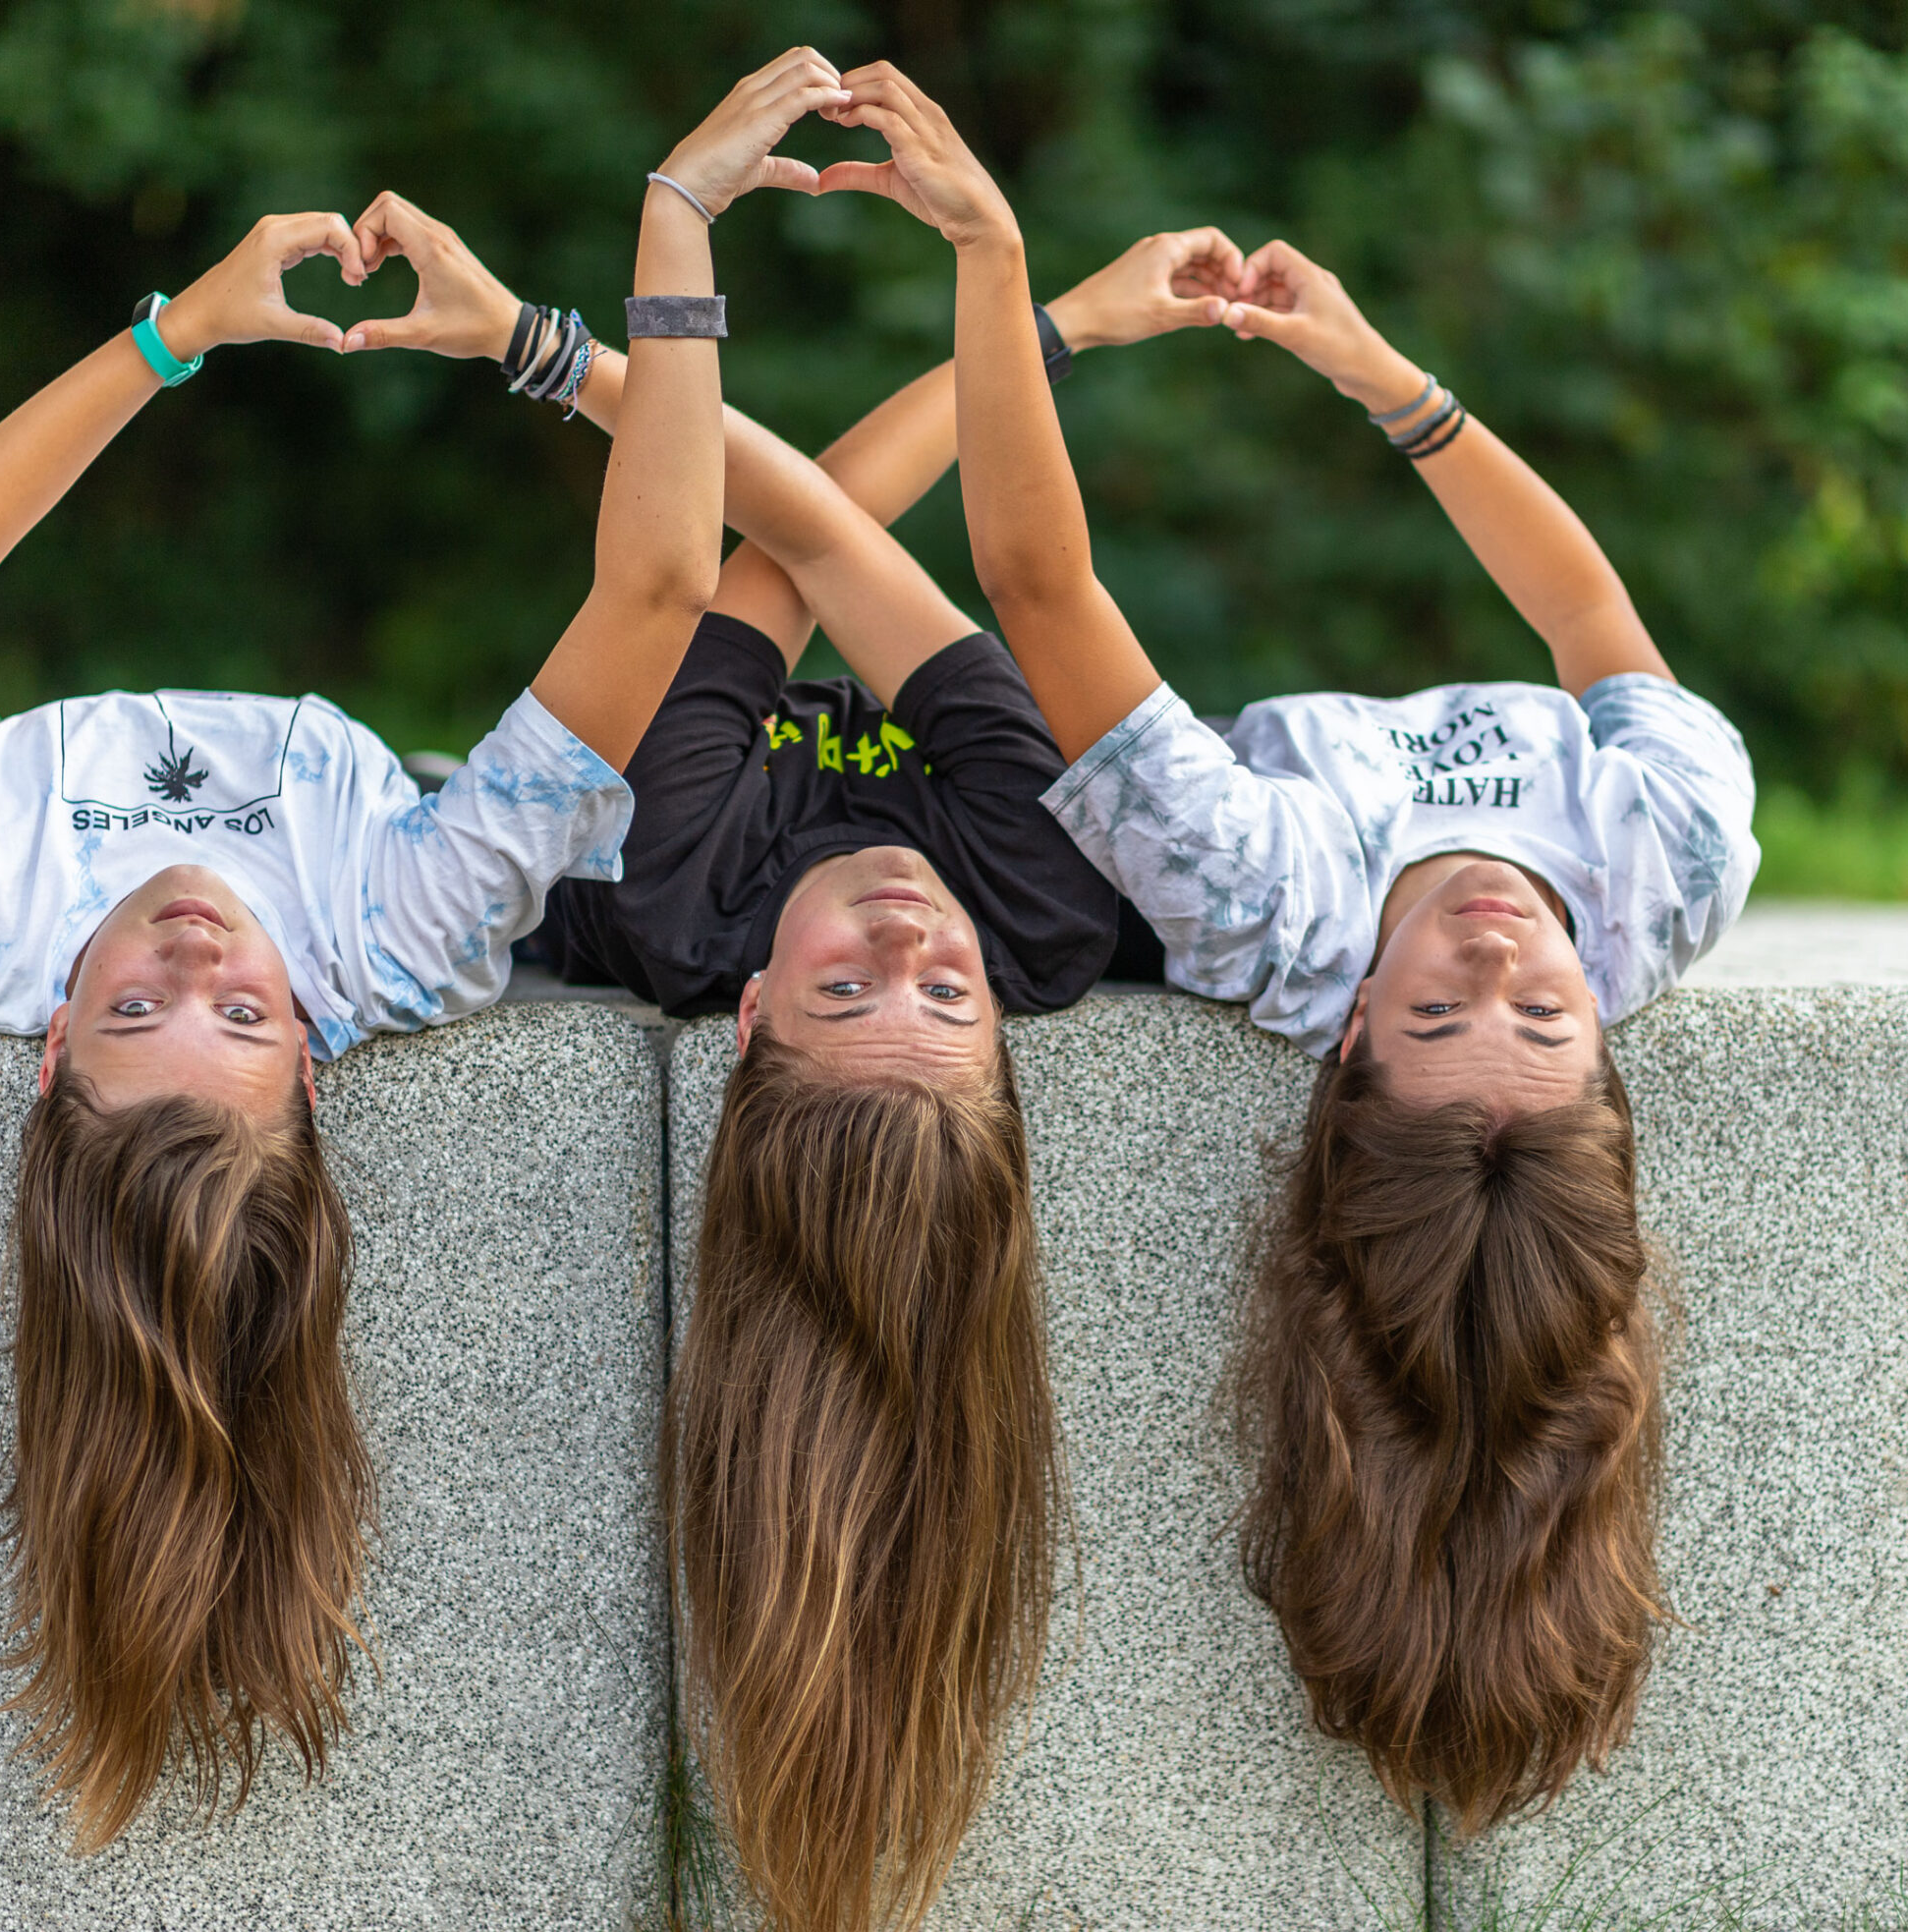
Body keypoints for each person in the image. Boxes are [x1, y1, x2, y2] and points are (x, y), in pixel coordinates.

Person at [0, 48, 854, 1850]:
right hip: (385, 799)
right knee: (525, 814)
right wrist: (663, 231)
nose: (199, 946)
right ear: (317, 1061)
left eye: (141, 1005)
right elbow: (662, 588)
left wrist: (177, 331)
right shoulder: (400, 942)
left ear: (49, 1047)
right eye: (241, 1012)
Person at [817, 65, 1759, 1837]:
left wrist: (1001, 267)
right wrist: (1379, 376)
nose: (1491, 948)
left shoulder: (1271, 910)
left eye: (1438, 1007)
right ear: (1607, 1034)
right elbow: (1588, 618)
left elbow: (1039, 586)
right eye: (1537, 1011)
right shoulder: (1672, 863)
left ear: (1346, 1041)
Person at [323, 195, 1239, 1930]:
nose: (905, 933)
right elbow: (823, 526)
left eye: (846, 991)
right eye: (940, 998)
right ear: (1006, 1029)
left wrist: (543, 345)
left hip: (514, 792)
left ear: (749, 1016)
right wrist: (1041, 332)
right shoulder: (1039, 909)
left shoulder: (684, 900)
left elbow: (790, 541)